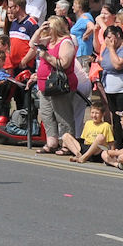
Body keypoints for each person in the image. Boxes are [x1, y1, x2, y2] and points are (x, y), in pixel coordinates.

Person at [32, 17, 79, 155]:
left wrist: (46, 56)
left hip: (59, 86)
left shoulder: (66, 42)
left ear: (56, 28)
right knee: (47, 115)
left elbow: (64, 63)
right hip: (45, 86)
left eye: (49, 28)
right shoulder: (49, 41)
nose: (46, 31)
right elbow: (32, 44)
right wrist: (39, 29)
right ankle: (52, 143)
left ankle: (67, 145)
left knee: (63, 116)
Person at [97, 23, 123, 147]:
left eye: (110, 37)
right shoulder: (108, 48)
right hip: (110, 89)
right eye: (106, 38)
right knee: (115, 118)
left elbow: (117, 64)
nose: (108, 41)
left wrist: (111, 49)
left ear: (118, 35)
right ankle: (117, 145)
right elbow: (106, 63)